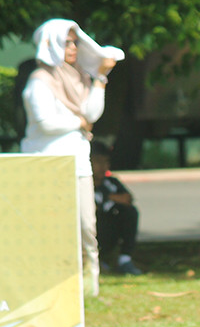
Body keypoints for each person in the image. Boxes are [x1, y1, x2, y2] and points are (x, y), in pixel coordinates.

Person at [20, 18, 123, 296]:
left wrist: (101, 77)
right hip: (47, 163)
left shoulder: (79, 77)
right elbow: (45, 123)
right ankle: (53, 287)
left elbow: (91, 114)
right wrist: (78, 123)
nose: (73, 48)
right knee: (51, 226)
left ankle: (89, 286)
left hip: (78, 162)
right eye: (66, 42)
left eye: (75, 42)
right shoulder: (39, 81)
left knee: (87, 225)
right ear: (51, 44)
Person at [90, 141, 143, 275]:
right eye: (98, 162)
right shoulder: (83, 184)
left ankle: (124, 259)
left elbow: (127, 199)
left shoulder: (111, 183)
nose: (103, 167)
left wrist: (108, 196)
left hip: (110, 231)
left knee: (130, 212)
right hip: (94, 230)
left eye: (106, 162)